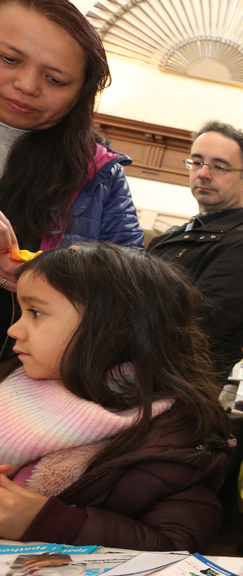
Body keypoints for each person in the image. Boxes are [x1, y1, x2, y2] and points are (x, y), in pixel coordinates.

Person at [0, 243, 231, 551]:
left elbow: (177, 544)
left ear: (112, 325)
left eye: (36, 312)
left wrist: (51, 523)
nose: (15, 329)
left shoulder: (173, 436)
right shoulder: (13, 382)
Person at [0, 0, 143, 361]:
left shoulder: (99, 173)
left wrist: (43, 276)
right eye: (9, 59)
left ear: (81, 94)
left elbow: (130, 290)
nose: (27, 85)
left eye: (55, 79)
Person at [147, 121, 243, 380]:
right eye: (197, 162)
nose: (203, 173)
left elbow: (193, 334)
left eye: (219, 166)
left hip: (171, 393)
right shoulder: (169, 236)